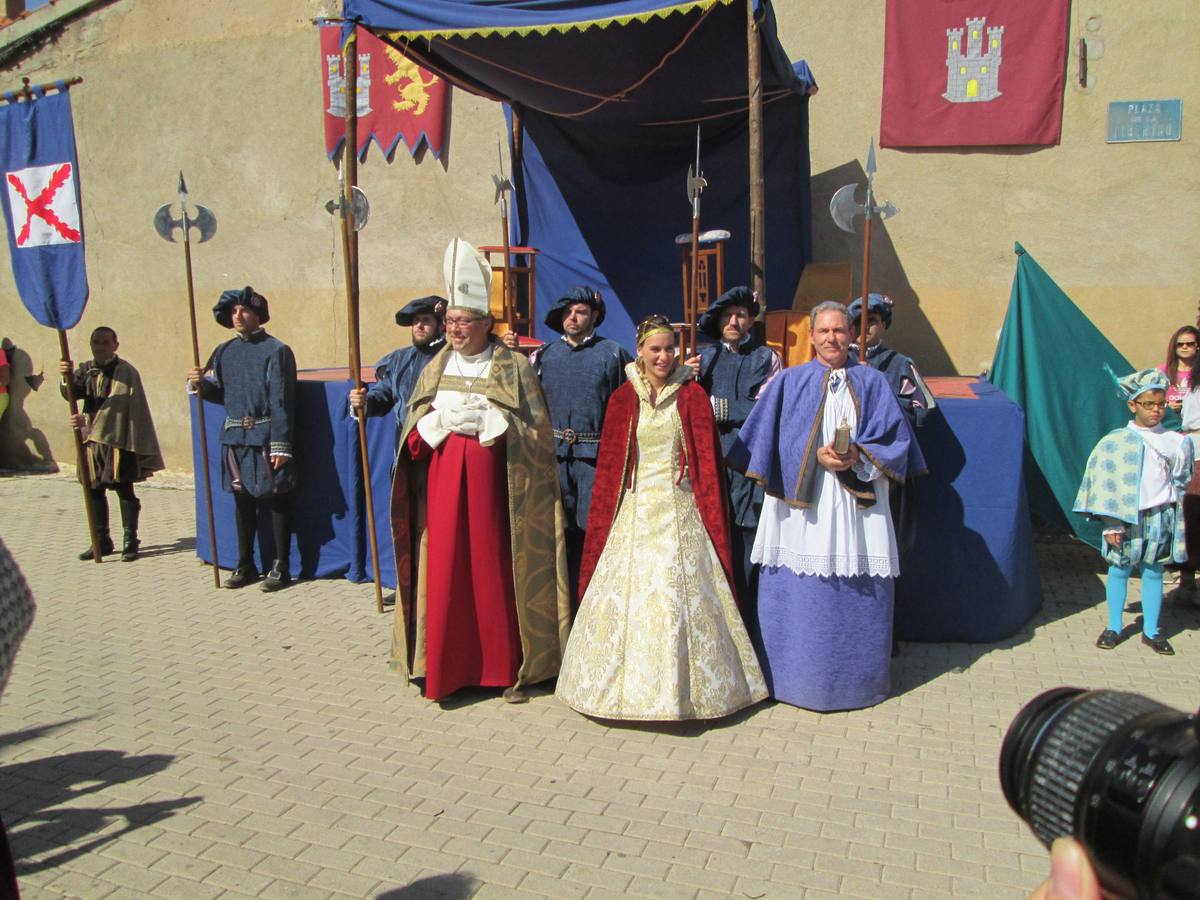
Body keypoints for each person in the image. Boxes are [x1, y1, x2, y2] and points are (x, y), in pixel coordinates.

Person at [555, 314, 767, 721]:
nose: (663, 356)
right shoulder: (622, 398)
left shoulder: (692, 397)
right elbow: (613, 463)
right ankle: (615, 690)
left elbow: (706, 461)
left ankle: (687, 692)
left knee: (675, 589)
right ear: (640, 351)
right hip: (635, 508)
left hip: (679, 507)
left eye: (670, 348)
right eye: (656, 349)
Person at [389, 239, 569, 703]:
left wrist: (496, 423)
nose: (453, 330)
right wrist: (438, 424)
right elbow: (411, 432)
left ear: (486, 324)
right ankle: (443, 668)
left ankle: (505, 669)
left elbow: (538, 435)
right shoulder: (435, 366)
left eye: (462, 322)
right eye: (449, 322)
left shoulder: (513, 368)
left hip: (497, 491)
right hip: (445, 487)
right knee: (446, 570)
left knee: (493, 571)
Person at [727, 301, 926, 712]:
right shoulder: (788, 382)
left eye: (839, 331)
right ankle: (790, 679)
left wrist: (859, 454)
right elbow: (767, 440)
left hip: (858, 506)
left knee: (858, 586)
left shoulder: (872, 383)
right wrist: (811, 454)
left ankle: (857, 683)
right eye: (824, 332)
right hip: (803, 507)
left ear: (851, 335)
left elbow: (896, 441)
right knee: (798, 590)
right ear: (813, 336)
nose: (832, 338)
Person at [504, 286, 631, 605]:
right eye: (568, 312)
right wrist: (510, 359)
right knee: (556, 534)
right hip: (553, 458)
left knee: (594, 534)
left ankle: (594, 604)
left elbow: (627, 409)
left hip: (596, 461)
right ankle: (559, 608)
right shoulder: (543, 356)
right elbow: (523, 401)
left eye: (581, 312)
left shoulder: (614, 354)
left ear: (596, 317)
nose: (573, 318)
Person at [1074, 368, 1192, 655]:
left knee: (1153, 571)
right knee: (1119, 568)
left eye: (1161, 404)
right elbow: (1105, 483)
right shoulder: (1114, 442)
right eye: (1148, 404)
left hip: (1159, 515)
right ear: (1132, 405)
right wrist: (1112, 523)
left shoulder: (1176, 441)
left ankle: (1151, 630)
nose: (1155, 411)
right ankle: (1114, 625)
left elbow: (1180, 479)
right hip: (1126, 518)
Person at [188, 286, 297, 592]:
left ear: (258, 314)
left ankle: (280, 566)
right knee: (242, 501)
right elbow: (215, 391)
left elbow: (282, 401)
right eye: (234, 311)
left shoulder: (276, 350)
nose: (238, 315)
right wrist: (198, 384)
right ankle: (245, 563)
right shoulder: (224, 351)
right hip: (235, 438)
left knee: (275, 499)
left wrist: (281, 445)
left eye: (244, 310)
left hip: (265, 438)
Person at [693, 285, 781, 603]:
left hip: (748, 462)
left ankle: (747, 619)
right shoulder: (701, 359)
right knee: (711, 537)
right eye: (727, 316)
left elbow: (767, 409)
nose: (733, 321)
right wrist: (686, 381)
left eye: (740, 315)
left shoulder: (766, 358)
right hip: (710, 460)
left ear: (750, 320)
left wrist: (718, 409)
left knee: (746, 540)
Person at [59, 326, 164, 561]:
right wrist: (64, 377)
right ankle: (101, 539)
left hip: (119, 438)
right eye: (96, 342)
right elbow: (72, 394)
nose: (100, 346)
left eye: (105, 342)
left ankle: (130, 540)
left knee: (124, 489)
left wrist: (87, 420)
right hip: (91, 441)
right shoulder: (86, 370)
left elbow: (121, 407)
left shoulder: (126, 372)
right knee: (93, 489)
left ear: (115, 345)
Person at [348, 295, 445, 454]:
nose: (419, 326)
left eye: (426, 321)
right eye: (415, 321)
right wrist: (364, 402)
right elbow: (383, 395)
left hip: (438, 444)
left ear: (441, 326)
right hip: (404, 444)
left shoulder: (450, 357)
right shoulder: (399, 359)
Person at [846, 293, 935, 430]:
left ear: (883, 324)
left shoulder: (900, 364)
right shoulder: (839, 361)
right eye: (858, 321)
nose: (864, 326)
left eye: (871, 320)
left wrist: (883, 398)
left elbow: (922, 411)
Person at [1159, 324, 1198, 414]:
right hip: (1170, 423)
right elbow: (1151, 399)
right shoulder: (1162, 371)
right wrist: (1166, 406)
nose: (1184, 347)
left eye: (1190, 344)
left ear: (1197, 346)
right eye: (1180, 344)